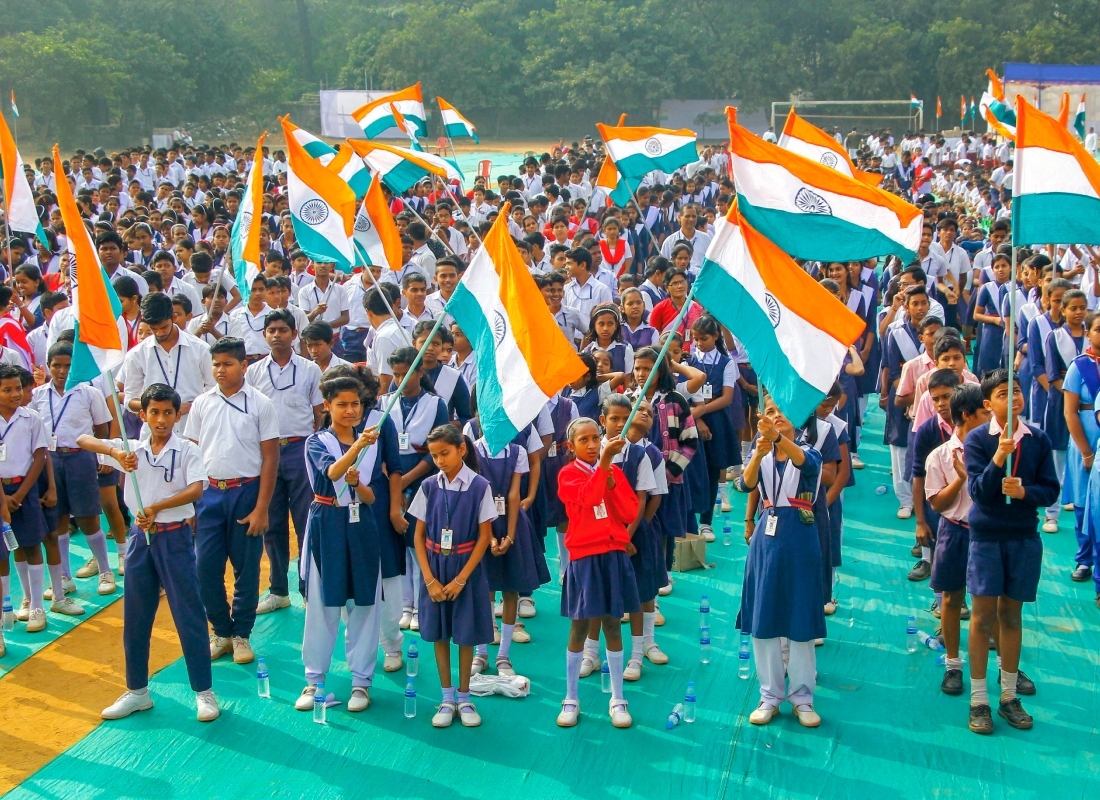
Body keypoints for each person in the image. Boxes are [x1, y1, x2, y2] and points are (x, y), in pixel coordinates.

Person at [79, 384, 218, 722]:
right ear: (142, 415)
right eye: (153, 412)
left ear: (176, 415)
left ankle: (204, 692)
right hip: (142, 539)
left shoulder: (186, 449)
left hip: (174, 538)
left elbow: (196, 488)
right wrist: (114, 455)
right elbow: (83, 439)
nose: (161, 419)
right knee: (137, 615)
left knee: (188, 614)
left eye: (167, 412)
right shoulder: (133, 449)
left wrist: (156, 506)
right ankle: (137, 691)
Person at [963, 369, 1059, 734]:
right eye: (1004, 393)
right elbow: (980, 492)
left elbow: (1050, 489)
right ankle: (978, 700)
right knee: (982, 617)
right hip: (987, 538)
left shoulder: (1038, 439)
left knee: (1012, 616)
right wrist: (998, 458)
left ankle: (1007, 696)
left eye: (1016, 391)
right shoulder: (978, 440)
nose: (1013, 398)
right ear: (989, 404)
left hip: (1023, 538)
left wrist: (1024, 494)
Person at [186, 337, 280, 665]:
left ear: (243, 365)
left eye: (227, 364)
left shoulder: (260, 404)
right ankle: (221, 630)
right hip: (210, 493)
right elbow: (192, 453)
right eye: (216, 364)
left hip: (247, 492)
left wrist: (261, 508)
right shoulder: (202, 403)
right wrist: (191, 503)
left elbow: (270, 458)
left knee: (246, 567)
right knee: (205, 567)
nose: (220, 370)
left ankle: (241, 634)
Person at [293, 376, 382, 715]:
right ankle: (314, 679)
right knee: (322, 604)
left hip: (361, 525)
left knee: (365, 603)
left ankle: (362, 680)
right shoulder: (317, 441)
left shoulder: (371, 441)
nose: (349, 410)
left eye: (355, 404)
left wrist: (361, 476)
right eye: (342, 404)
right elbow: (331, 474)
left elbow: (370, 492)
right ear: (327, 406)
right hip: (327, 525)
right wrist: (359, 448)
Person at [737, 390, 825, 728]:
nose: (776, 415)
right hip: (767, 539)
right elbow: (745, 485)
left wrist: (777, 439)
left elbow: (807, 464)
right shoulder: (764, 453)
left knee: (800, 617)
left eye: (783, 411)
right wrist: (759, 454)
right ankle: (770, 695)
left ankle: (803, 697)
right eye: (770, 411)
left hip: (800, 537)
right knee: (764, 617)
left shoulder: (808, 451)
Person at [408, 424, 495, 728]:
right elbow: (418, 536)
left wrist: (461, 579)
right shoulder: (429, 486)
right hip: (435, 567)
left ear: (462, 450)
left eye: (445, 453)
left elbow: (485, 537)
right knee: (440, 634)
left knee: (466, 633)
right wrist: (429, 579)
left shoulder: (480, 486)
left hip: (465, 569)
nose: (440, 461)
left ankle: (465, 696)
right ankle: (446, 698)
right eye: (434, 455)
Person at [555, 417, 640, 729]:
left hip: (612, 555)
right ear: (571, 446)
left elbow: (630, 512)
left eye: (596, 438)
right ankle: (571, 698)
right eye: (583, 440)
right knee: (579, 628)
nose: (591, 445)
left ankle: (618, 698)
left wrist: (612, 479)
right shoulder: (567, 474)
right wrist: (604, 464)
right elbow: (589, 499)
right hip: (584, 558)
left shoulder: (613, 472)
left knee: (613, 626)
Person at [247, 309, 324, 614]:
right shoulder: (253, 372)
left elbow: (319, 413)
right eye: (271, 330)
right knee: (272, 522)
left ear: (294, 334)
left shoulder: (309, 369)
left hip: (299, 449)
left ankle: (308, 589)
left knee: (306, 520)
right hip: (266, 452)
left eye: (282, 330)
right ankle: (278, 590)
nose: (276, 335)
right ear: (264, 335)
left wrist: (309, 444)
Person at [31, 342, 116, 608]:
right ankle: (65, 575)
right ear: (48, 365)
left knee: (88, 516)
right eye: (56, 365)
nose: (62, 371)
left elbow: (102, 428)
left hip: (79, 456)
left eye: (68, 365)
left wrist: (98, 455)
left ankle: (105, 570)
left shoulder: (88, 393)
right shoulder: (38, 395)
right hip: (50, 459)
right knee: (58, 519)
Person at [925, 383, 990, 696]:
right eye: (984, 412)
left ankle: (1008, 667)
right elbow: (938, 504)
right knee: (951, 599)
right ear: (967, 416)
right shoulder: (941, 456)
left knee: (991, 601)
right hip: (954, 529)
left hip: (988, 531)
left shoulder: (996, 449)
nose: (991, 418)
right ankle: (953, 664)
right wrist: (962, 478)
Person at [383, 346, 449, 632]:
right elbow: (381, 446)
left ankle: (422, 604)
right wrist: (392, 482)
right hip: (391, 477)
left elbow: (436, 451)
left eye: (406, 374)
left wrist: (405, 481)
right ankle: (405, 604)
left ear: (421, 372)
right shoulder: (384, 402)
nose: (400, 381)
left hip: (421, 478)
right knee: (399, 543)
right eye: (396, 375)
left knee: (418, 540)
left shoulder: (436, 404)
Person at [0, 364, 49, 631]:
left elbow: (40, 455)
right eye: (7, 390)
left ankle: (37, 605)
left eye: (18, 388)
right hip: (0, 494)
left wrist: (19, 494)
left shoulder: (31, 419)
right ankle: (7, 608)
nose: (15, 394)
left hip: (23, 489)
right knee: (4, 552)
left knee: (30, 545)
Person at [689, 315, 742, 542]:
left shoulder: (726, 362)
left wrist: (701, 412)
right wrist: (697, 419)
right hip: (691, 422)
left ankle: (706, 522)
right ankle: (689, 520)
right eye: (696, 339)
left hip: (717, 423)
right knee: (690, 471)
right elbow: (686, 395)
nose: (700, 343)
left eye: (704, 338)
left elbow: (726, 398)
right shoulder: (689, 361)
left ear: (716, 336)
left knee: (712, 472)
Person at [1062, 310, 1100, 584]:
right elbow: (1070, 412)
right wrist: (1087, 451)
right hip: (1084, 439)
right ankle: (1085, 559)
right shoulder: (1079, 366)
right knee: (1085, 504)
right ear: (1088, 332)